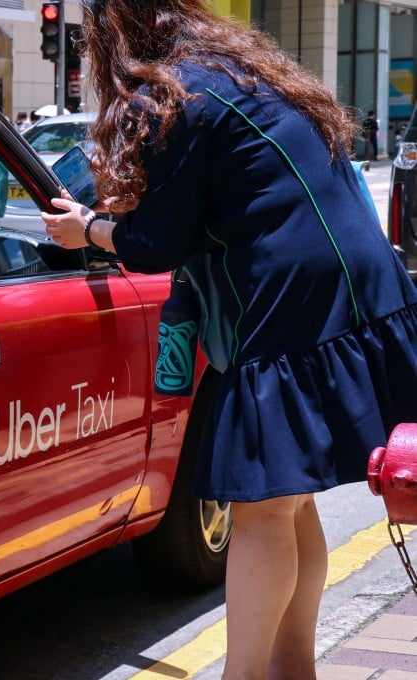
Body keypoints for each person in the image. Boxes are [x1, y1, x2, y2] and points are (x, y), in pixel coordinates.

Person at [40, 1, 417, 678]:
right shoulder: (244, 73)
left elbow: (157, 242)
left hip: (290, 307)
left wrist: (88, 229)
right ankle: (290, 667)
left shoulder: (172, 95)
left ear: (110, 35)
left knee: (261, 512)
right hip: (360, 291)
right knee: (291, 502)